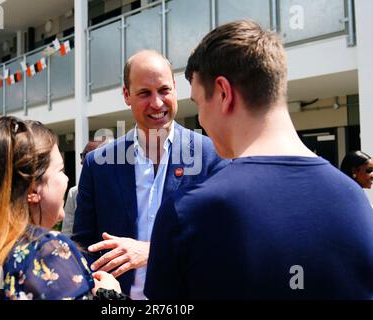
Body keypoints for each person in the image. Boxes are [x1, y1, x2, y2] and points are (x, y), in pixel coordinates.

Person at [145, 20, 373, 299]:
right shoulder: (355, 199)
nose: (201, 120)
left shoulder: (190, 212)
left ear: (224, 93)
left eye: (199, 104)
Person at [72, 50, 227, 299]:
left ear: (175, 88)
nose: (157, 103)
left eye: (164, 90)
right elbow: (83, 244)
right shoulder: (97, 164)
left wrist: (152, 251)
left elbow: (223, 244)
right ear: (126, 95)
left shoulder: (212, 156)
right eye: (144, 93)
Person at [0, 117, 122, 299]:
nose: (67, 178)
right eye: (60, 170)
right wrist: (110, 296)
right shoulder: (46, 251)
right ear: (33, 188)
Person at [62, 138, 113, 237]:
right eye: (83, 155)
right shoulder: (74, 192)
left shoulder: (129, 189)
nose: (82, 161)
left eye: (87, 155)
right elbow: (67, 233)